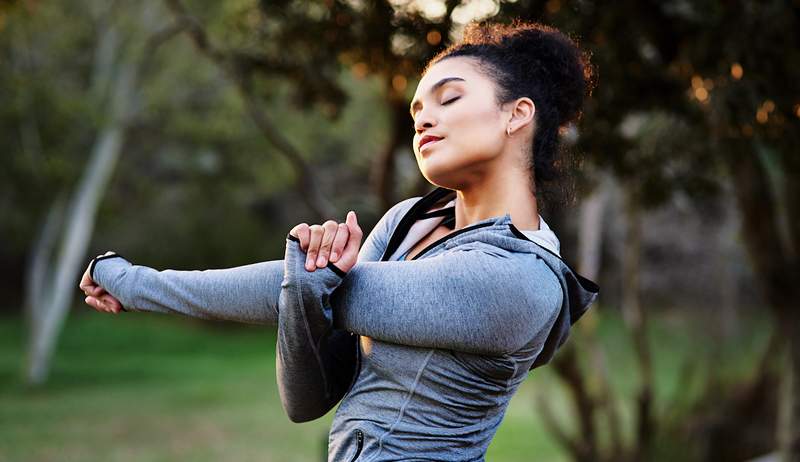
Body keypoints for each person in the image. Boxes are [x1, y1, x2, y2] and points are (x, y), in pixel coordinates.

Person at [79, 19, 599, 461]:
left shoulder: (521, 279)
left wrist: (133, 282)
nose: (424, 121)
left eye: (450, 98)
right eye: (417, 111)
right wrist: (309, 277)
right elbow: (306, 397)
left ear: (517, 114)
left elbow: (317, 292)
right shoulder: (407, 221)